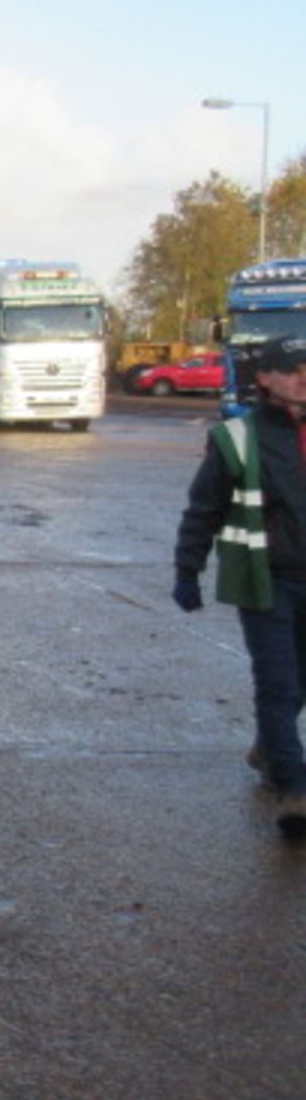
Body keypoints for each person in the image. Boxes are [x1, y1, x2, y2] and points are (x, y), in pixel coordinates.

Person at [173, 334, 306, 839]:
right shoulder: (238, 438)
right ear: (267, 379)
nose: (304, 380)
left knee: (302, 683)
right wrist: (188, 570)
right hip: (266, 580)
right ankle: (294, 788)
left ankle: (270, 748)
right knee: (279, 683)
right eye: (293, 369)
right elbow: (202, 509)